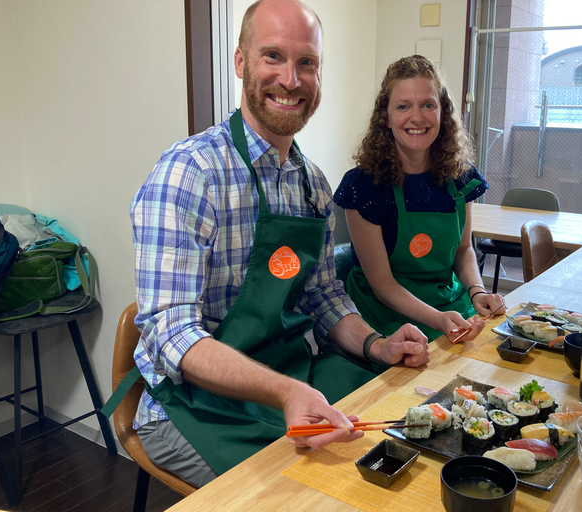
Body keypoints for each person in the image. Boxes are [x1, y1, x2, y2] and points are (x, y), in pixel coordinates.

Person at [107, 0, 429, 488]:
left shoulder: (312, 185)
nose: (291, 80)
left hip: (290, 378)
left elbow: (323, 296)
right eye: (272, 56)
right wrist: (283, 392)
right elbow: (170, 335)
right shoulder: (189, 174)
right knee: (320, 492)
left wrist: (376, 344)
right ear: (240, 62)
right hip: (192, 404)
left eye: (307, 63)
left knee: (402, 436)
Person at [334, 55, 504, 343]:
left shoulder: (461, 177)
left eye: (428, 105)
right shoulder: (364, 186)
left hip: (449, 306)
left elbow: (463, 250)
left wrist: (477, 290)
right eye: (403, 106)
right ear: (385, 118)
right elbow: (382, 284)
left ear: (442, 113)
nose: (417, 117)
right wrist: (437, 320)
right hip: (384, 316)